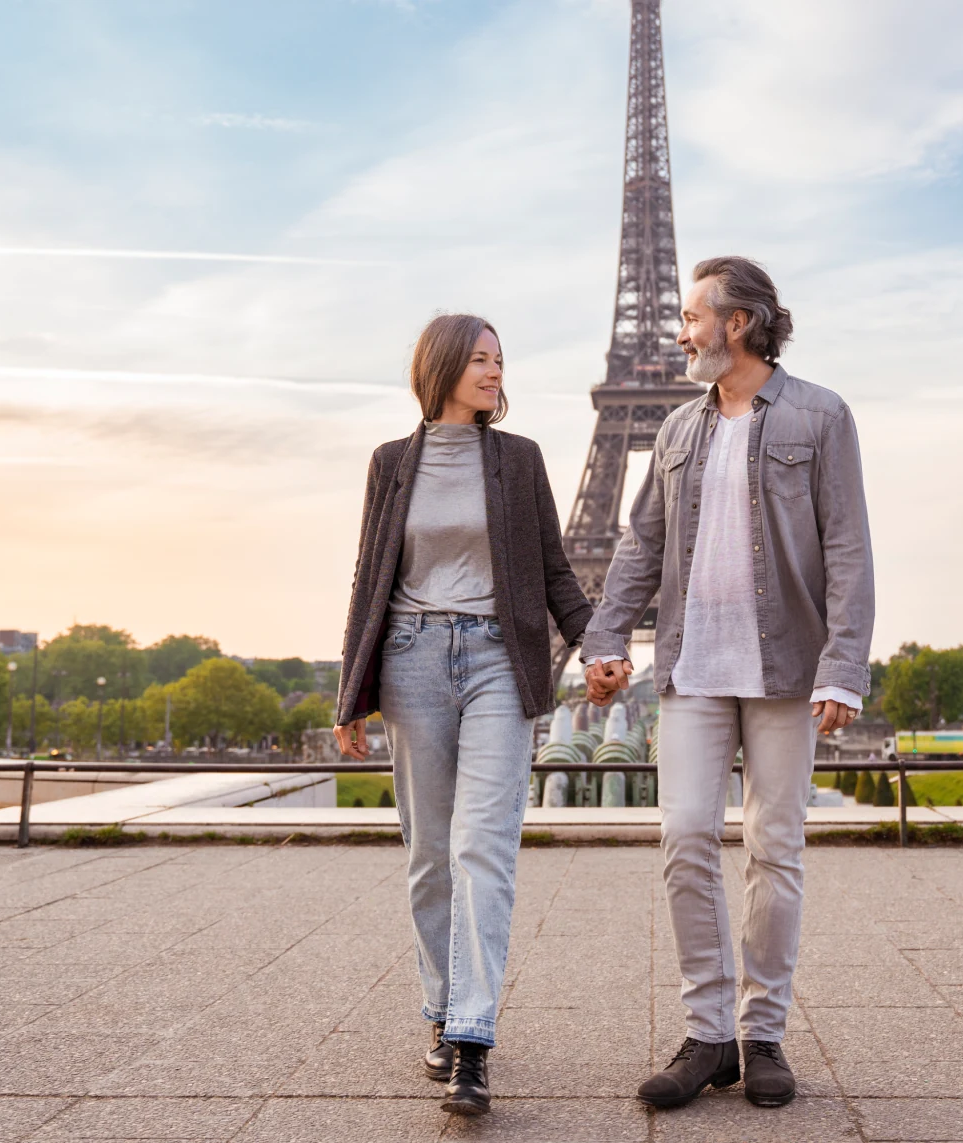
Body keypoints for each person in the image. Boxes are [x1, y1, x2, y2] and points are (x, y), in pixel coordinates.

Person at [584, 257, 874, 1110]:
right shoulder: (675, 430)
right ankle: (707, 1032)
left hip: (786, 667)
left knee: (775, 851)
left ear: (736, 323)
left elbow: (849, 545)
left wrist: (844, 667)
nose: (679, 331)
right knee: (683, 841)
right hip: (692, 668)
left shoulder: (822, 416)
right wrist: (605, 639)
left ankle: (763, 1032)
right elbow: (638, 546)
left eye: (691, 316)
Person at [332, 314, 593, 1117]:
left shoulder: (520, 461)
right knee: (431, 855)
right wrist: (352, 690)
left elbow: (554, 567)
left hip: (495, 659)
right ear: (442, 366)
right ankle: (443, 1012)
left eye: (500, 360)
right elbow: (368, 575)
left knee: (483, 847)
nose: (495, 371)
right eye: (480, 358)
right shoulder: (390, 463)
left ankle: (472, 1040)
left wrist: (596, 641)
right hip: (410, 656)